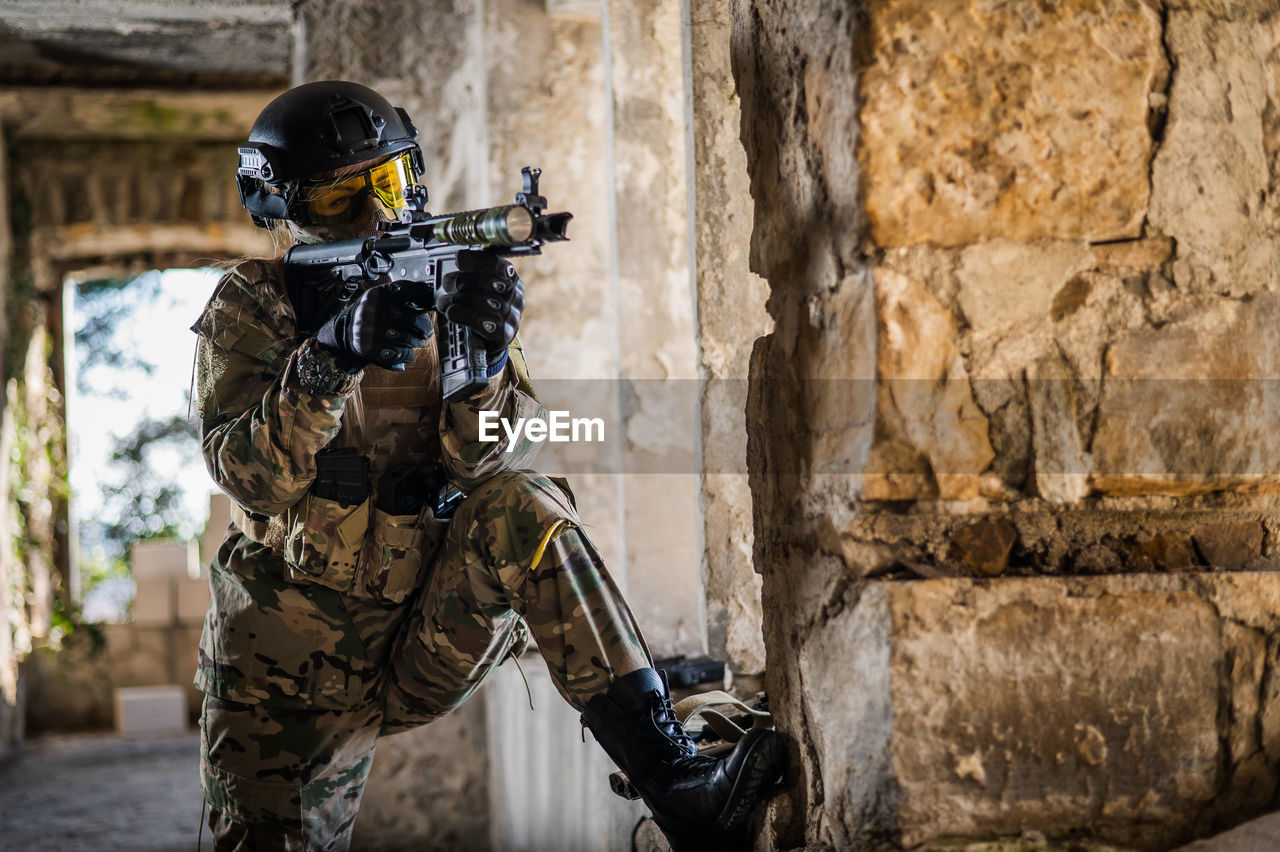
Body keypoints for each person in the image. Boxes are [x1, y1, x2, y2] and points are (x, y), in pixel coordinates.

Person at [193, 79, 786, 851]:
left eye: (392, 183)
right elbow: (250, 477)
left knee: (526, 503)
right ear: (285, 211)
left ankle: (675, 782)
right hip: (286, 674)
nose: (380, 215)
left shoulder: (443, 287)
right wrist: (331, 357)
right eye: (342, 203)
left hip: (421, 638)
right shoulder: (254, 305)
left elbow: (487, 467)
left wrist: (482, 364)